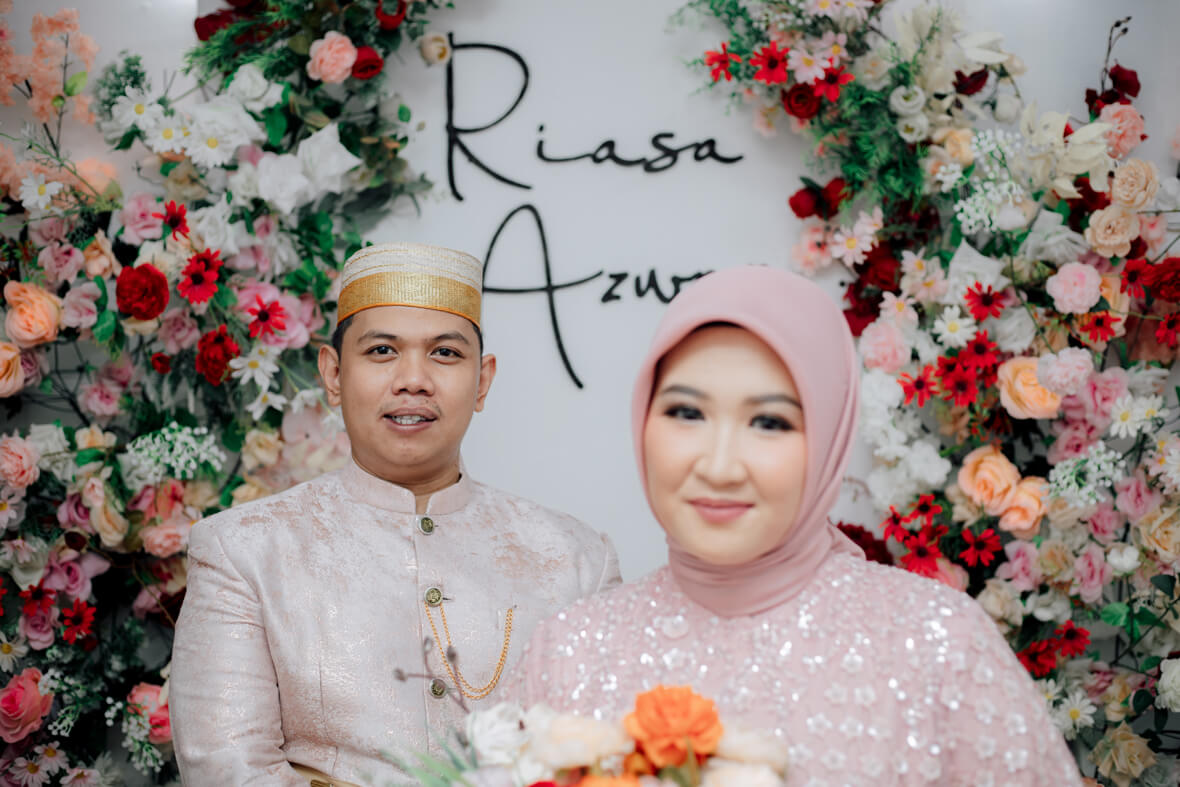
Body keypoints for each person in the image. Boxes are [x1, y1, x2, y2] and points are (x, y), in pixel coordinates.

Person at [507, 266, 1081, 785]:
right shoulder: (567, 652)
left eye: (769, 422)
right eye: (686, 412)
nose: (719, 467)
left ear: (829, 436)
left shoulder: (940, 643)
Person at [170, 242, 620, 786]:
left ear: (482, 380)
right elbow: (229, 770)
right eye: (382, 350)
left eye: (445, 353)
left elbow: (610, 759)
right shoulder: (245, 551)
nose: (413, 379)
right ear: (333, 374)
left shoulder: (577, 561)